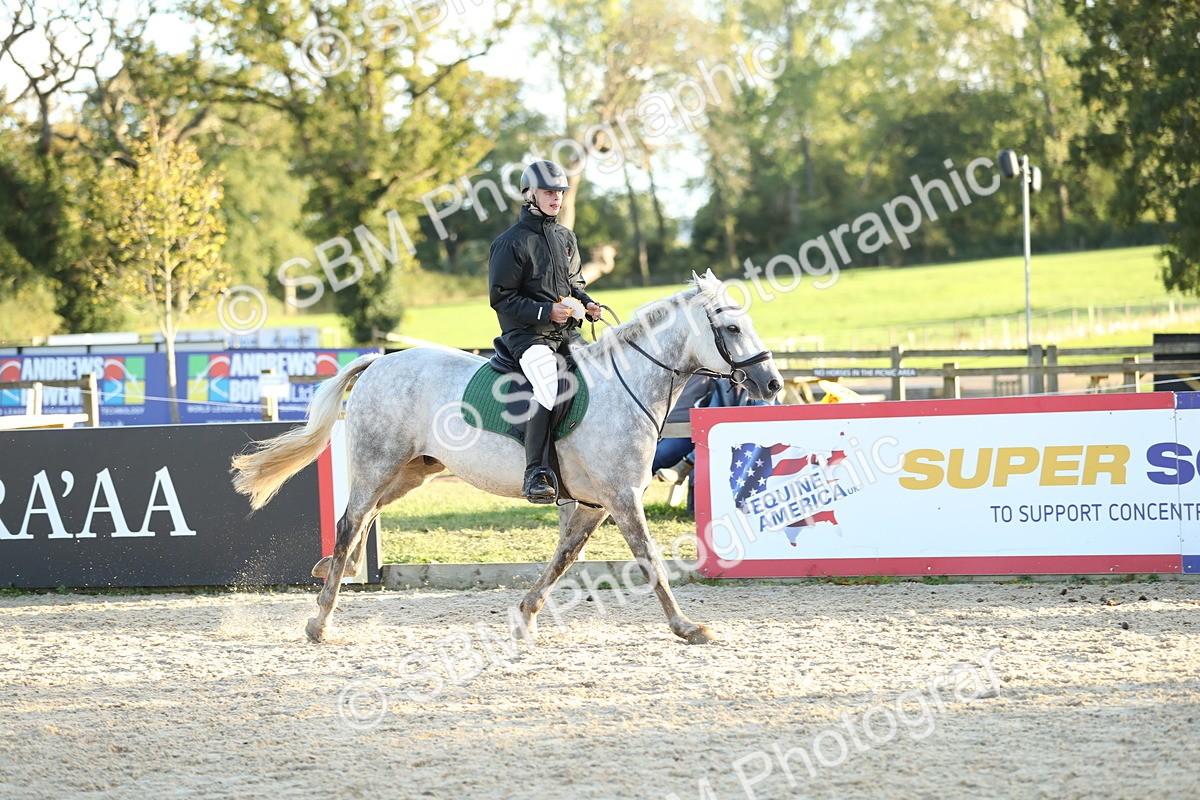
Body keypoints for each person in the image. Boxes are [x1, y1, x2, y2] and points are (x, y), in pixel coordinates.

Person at [488, 160, 602, 504]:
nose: (556, 198)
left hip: (566, 333)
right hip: (527, 336)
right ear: (530, 194)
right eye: (549, 192)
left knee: (605, 372)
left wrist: (588, 303)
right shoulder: (510, 242)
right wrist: (544, 311)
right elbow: (501, 298)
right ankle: (535, 472)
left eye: (560, 192)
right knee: (549, 385)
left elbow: (574, 284)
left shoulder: (565, 237)